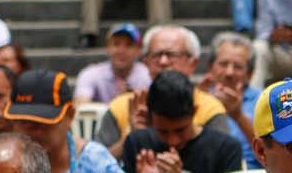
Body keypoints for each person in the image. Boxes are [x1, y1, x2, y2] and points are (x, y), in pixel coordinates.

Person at [123, 70, 243, 173]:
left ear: (195, 112)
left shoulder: (226, 148)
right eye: (163, 131)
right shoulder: (137, 142)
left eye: (180, 130)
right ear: (151, 117)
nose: (173, 141)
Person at [6, 70, 132, 173]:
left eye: (42, 124)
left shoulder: (94, 162)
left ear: (70, 115)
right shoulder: (1, 160)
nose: (32, 132)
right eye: (22, 122)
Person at [96, 25, 230, 161]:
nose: (163, 62)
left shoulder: (210, 109)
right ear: (146, 62)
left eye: (172, 55)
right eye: (156, 55)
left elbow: (220, 160)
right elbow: (95, 164)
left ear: (193, 63)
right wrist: (131, 137)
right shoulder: (122, 106)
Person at [201, 31, 262, 169]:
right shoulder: (199, 97)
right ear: (210, 67)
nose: (229, 72)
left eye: (238, 67)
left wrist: (238, 116)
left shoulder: (265, 101)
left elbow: (273, 152)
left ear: (250, 74)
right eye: (223, 64)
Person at [74, 22, 151, 104]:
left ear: (139, 50)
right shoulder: (90, 74)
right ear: (108, 47)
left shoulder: (147, 76)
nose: (121, 51)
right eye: (116, 44)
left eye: (129, 45)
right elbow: (80, 106)